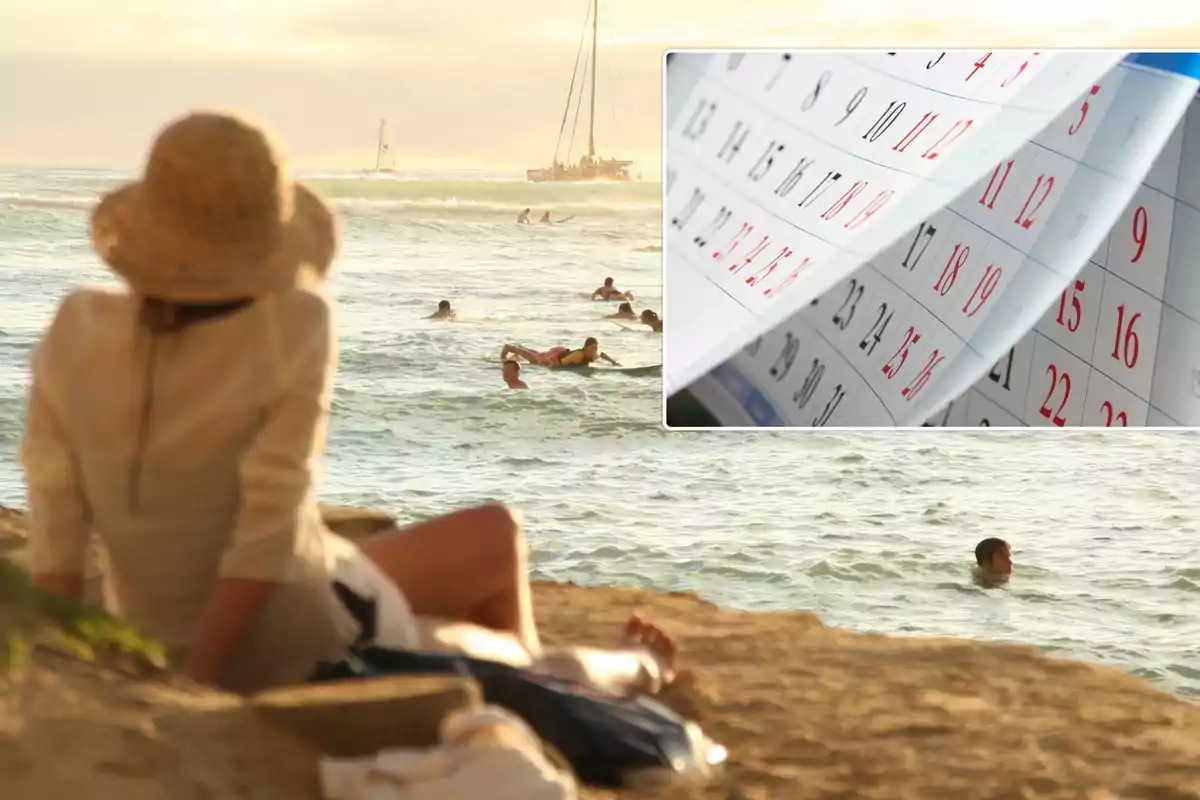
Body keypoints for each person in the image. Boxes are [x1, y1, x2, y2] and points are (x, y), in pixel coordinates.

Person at [21, 111, 679, 698]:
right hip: (298, 633)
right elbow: (267, 538)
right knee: (512, 653)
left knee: (494, 535)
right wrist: (199, 688)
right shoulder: (294, 321)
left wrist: (74, 671)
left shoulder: (75, 328)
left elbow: (57, 533)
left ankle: (521, 687)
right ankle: (631, 670)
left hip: (155, 621)